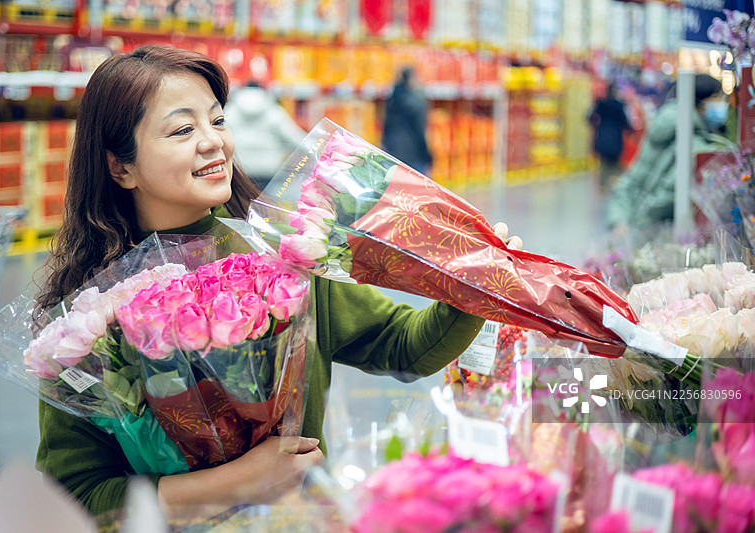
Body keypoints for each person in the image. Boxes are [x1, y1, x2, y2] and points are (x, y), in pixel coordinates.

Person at [33, 45, 522, 521]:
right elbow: (75, 495)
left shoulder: (286, 256)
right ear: (120, 166)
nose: (214, 142)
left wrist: (469, 288)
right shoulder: (86, 317)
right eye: (183, 128)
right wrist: (233, 484)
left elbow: (403, 345)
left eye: (217, 120)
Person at [606, 73, 728, 237]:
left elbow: (631, 180)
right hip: (653, 235)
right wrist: (636, 234)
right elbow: (665, 198)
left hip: (632, 223)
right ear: (700, 102)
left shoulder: (663, 125)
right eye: (718, 98)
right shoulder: (694, 143)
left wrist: (619, 219)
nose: (723, 104)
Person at [222, 80, 307, 190]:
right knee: (264, 205)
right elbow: (293, 136)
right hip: (268, 169)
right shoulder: (274, 112)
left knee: (241, 204)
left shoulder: (230, 111)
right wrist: (317, 147)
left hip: (240, 169)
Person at [382, 66, 433, 174]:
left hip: (394, 152)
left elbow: (386, 125)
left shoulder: (392, 99)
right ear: (412, 79)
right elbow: (420, 130)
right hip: (414, 154)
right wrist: (427, 154)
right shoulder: (417, 102)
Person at [589, 82, 632, 193]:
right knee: (615, 163)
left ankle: (602, 186)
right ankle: (615, 184)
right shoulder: (619, 105)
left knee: (603, 163)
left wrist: (596, 126)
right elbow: (625, 122)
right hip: (615, 137)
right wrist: (630, 131)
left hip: (602, 136)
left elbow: (590, 117)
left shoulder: (601, 105)